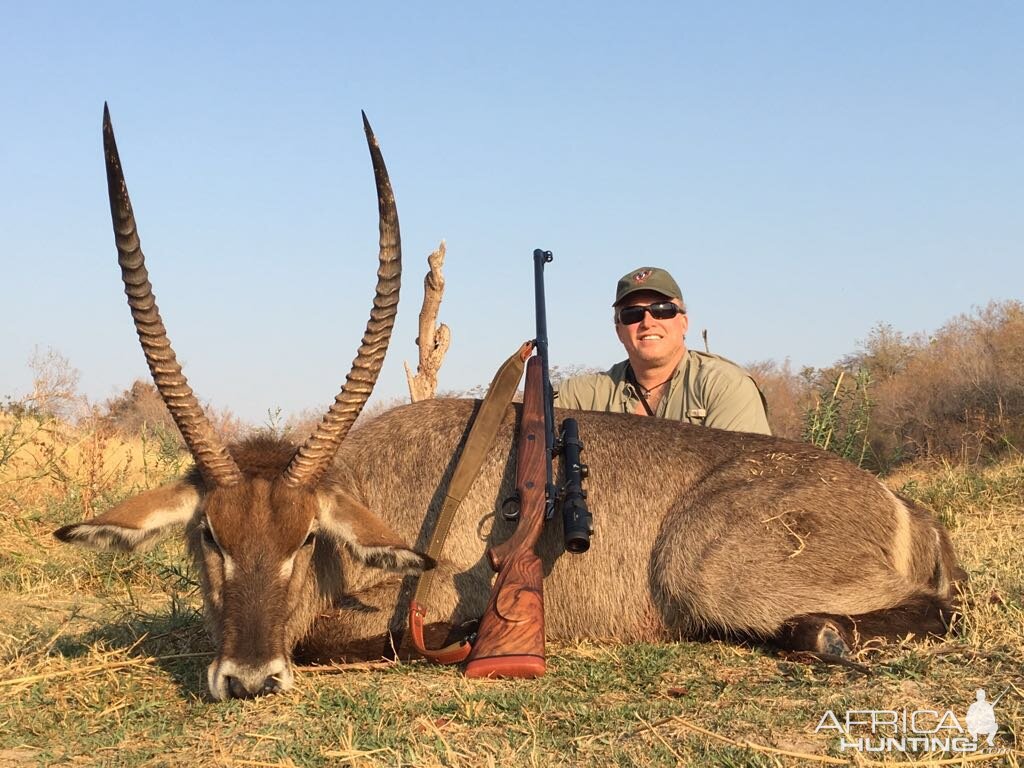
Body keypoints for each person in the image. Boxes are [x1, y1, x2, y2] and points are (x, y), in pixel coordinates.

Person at [555, 266, 771, 435]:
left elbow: (743, 481)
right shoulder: (581, 395)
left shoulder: (725, 386)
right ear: (619, 331)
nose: (647, 322)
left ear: (684, 323)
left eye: (662, 310)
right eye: (632, 314)